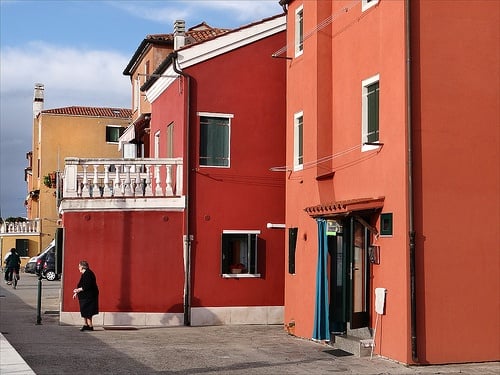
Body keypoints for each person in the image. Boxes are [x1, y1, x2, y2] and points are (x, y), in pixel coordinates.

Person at [73, 260, 99, 331]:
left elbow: (86, 286)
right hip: (84, 296)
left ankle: (90, 325)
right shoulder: (85, 274)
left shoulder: (88, 274)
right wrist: (76, 292)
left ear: (82, 267)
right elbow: (81, 285)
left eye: (79, 266)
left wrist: (78, 290)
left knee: (88, 311)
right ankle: (86, 324)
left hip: (89, 296)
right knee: (84, 311)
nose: (78, 268)